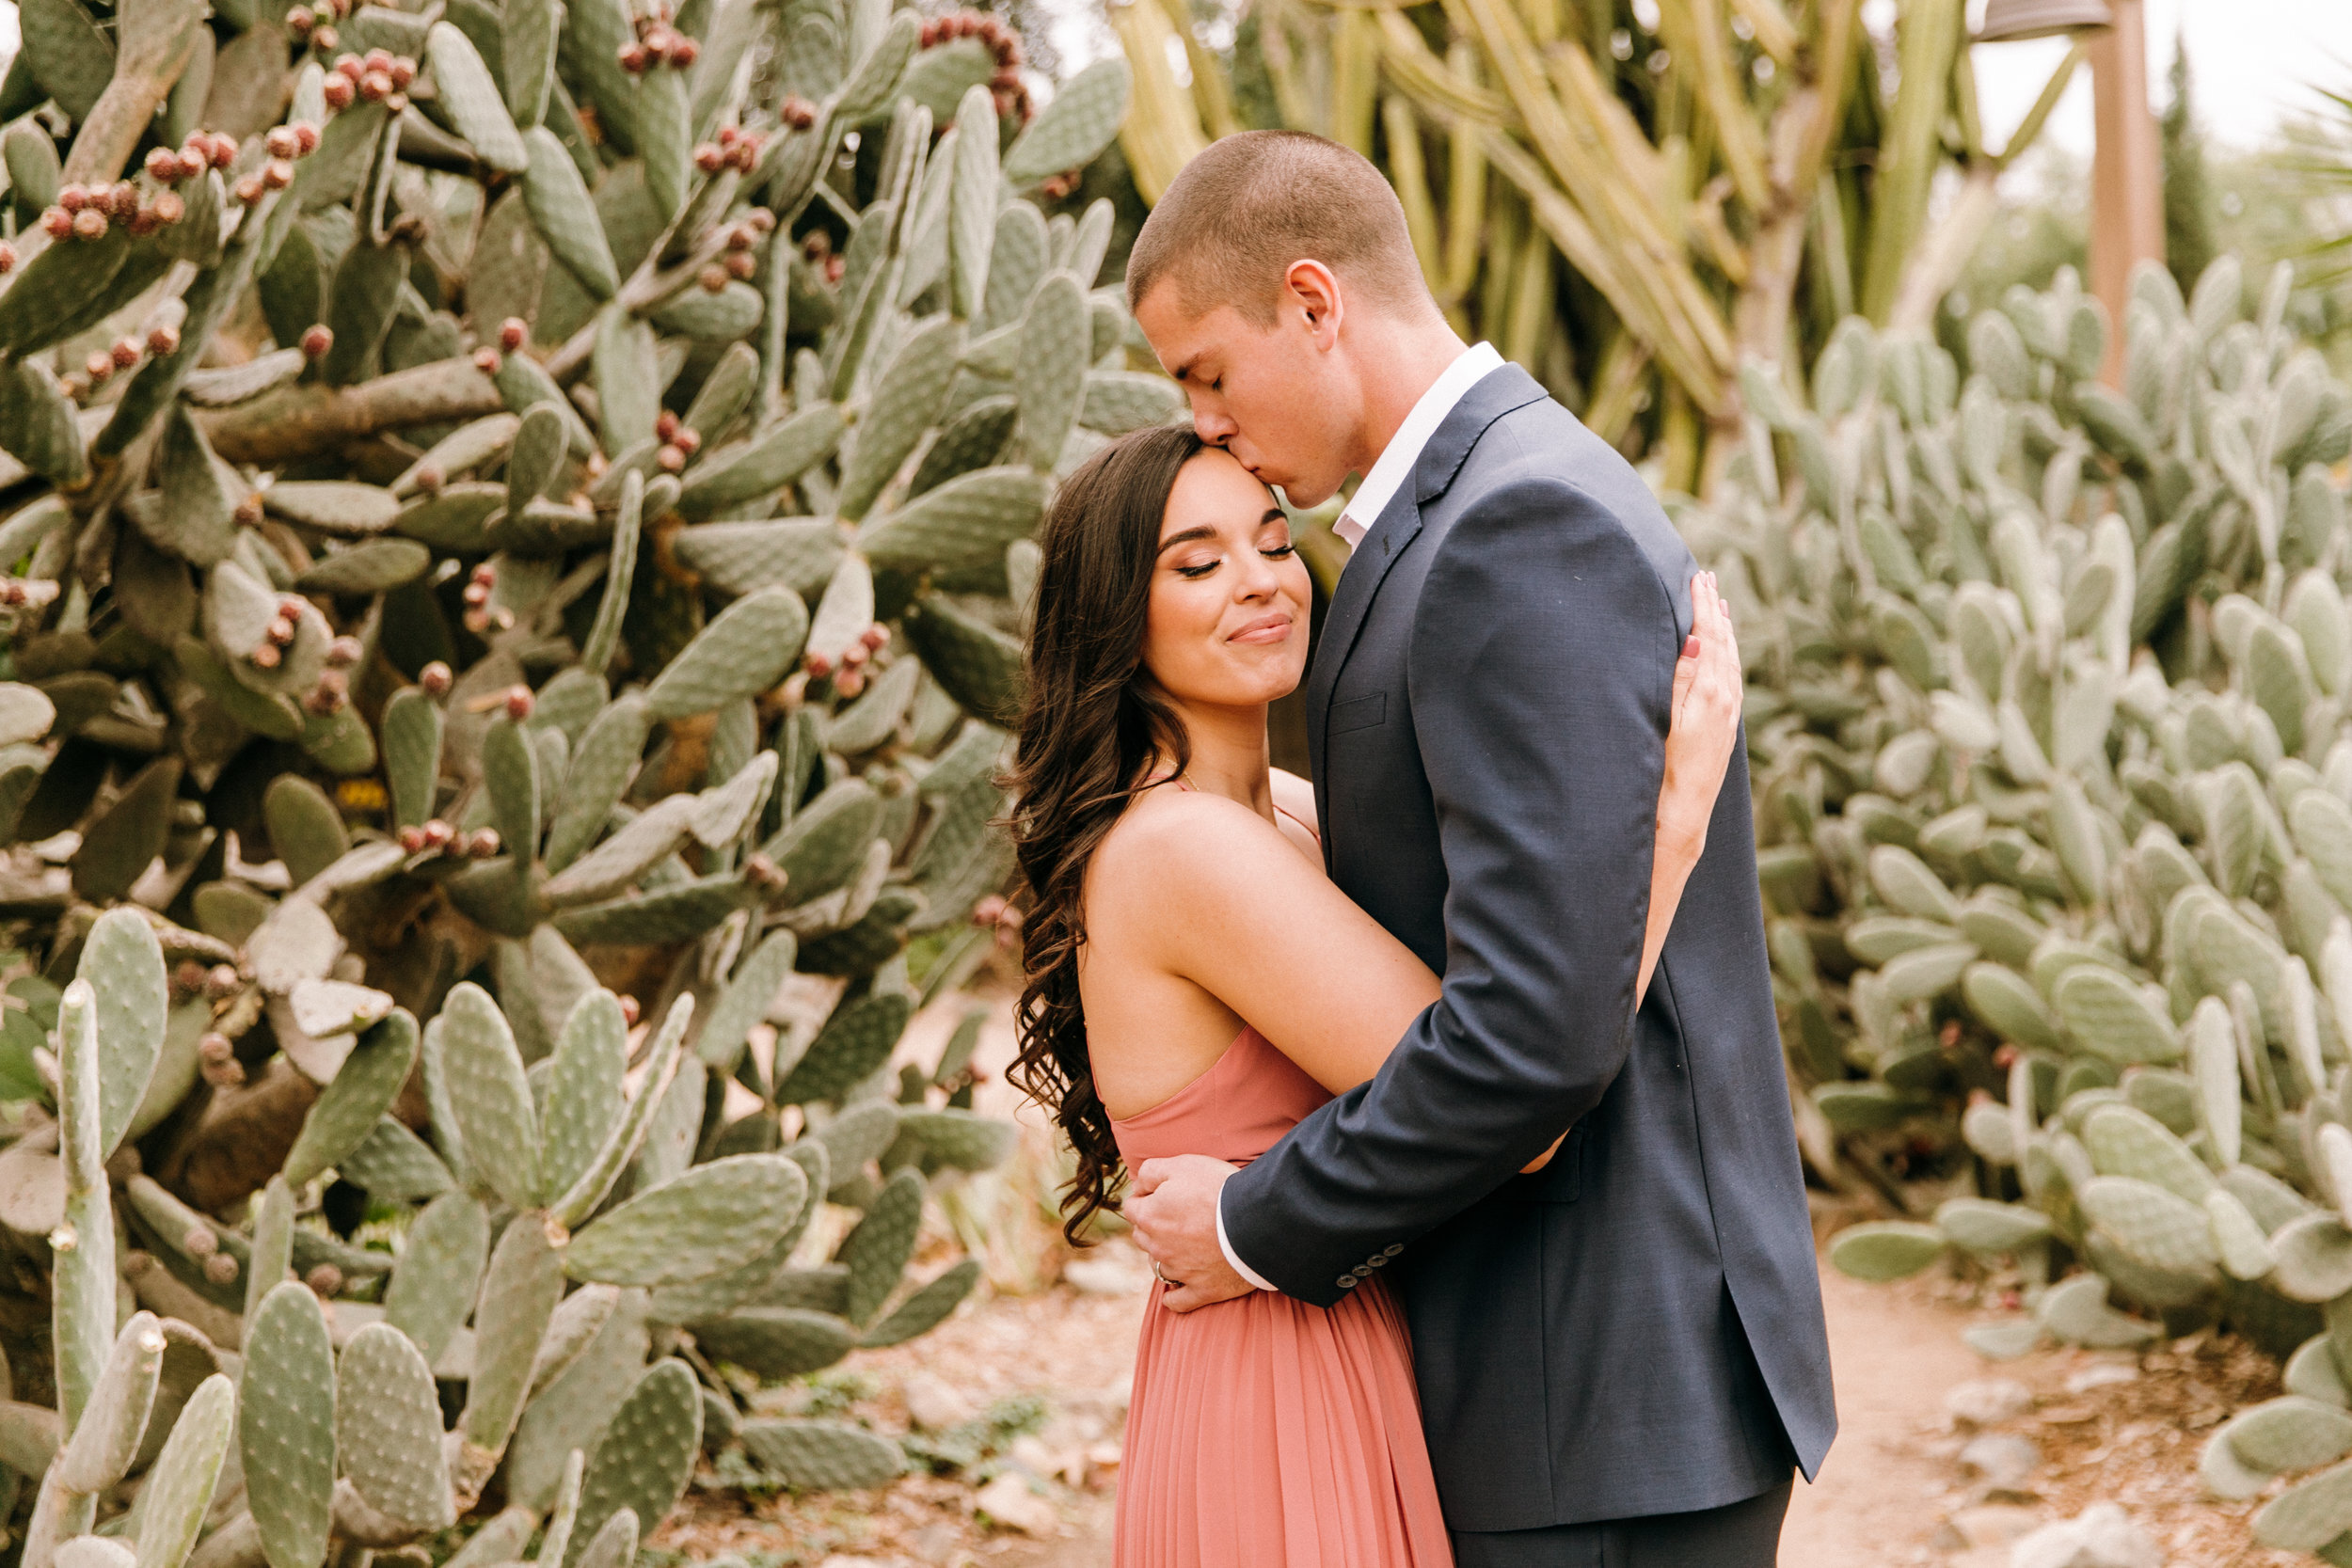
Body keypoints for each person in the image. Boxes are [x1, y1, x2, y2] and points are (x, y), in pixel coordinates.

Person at [1103, 130, 1837, 1567]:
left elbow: (1528, 1037)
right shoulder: (1456, 513)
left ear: (1314, 303)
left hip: (1596, 1383)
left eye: (1206, 373)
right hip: (1542, 1379)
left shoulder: (1515, 523)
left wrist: (1254, 1223)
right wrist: (1668, 840)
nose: (1205, 421)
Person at [1009, 421, 1743, 1566]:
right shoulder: (1185, 849)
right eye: (1197, 563)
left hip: (1344, 1337)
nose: (1259, 581)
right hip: (1277, 1384)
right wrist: (1671, 833)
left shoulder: (1289, 810)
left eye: (1270, 540)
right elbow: (1511, 1094)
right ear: (1115, 618)